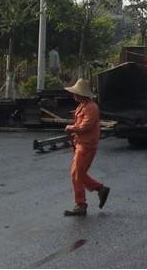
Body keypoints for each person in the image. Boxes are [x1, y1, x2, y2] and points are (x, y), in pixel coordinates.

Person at [63, 78, 110, 216]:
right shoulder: (83, 105)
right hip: (81, 144)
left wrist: (71, 128)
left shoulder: (91, 107)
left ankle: (81, 204)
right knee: (78, 173)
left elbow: (85, 126)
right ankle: (100, 189)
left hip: (86, 145)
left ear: (82, 94)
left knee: (77, 174)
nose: (74, 95)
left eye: (76, 92)